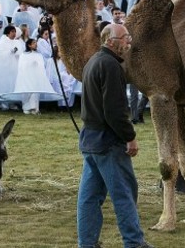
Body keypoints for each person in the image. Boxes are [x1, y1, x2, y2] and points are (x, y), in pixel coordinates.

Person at [77, 23, 152, 248]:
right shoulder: (110, 65)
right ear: (111, 41)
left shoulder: (93, 62)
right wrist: (130, 136)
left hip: (90, 140)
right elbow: (115, 111)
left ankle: (87, 244)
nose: (129, 41)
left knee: (89, 198)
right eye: (125, 37)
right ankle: (134, 242)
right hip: (107, 142)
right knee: (124, 194)